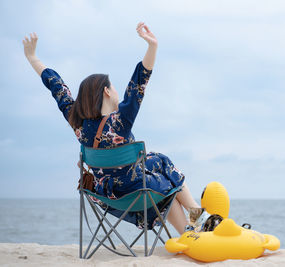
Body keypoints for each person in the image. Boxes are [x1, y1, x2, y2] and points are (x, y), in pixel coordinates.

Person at [23, 22, 199, 234]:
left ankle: (190, 231)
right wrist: (152, 47)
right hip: (137, 192)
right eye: (114, 87)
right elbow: (139, 82)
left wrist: (33, 58)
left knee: (157, 170)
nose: (117, 92)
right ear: (106, 91)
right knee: (162, 166)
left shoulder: (77, 123)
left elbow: (58, 87)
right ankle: (196, 214)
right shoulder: (120, 121)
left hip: (108, 198)